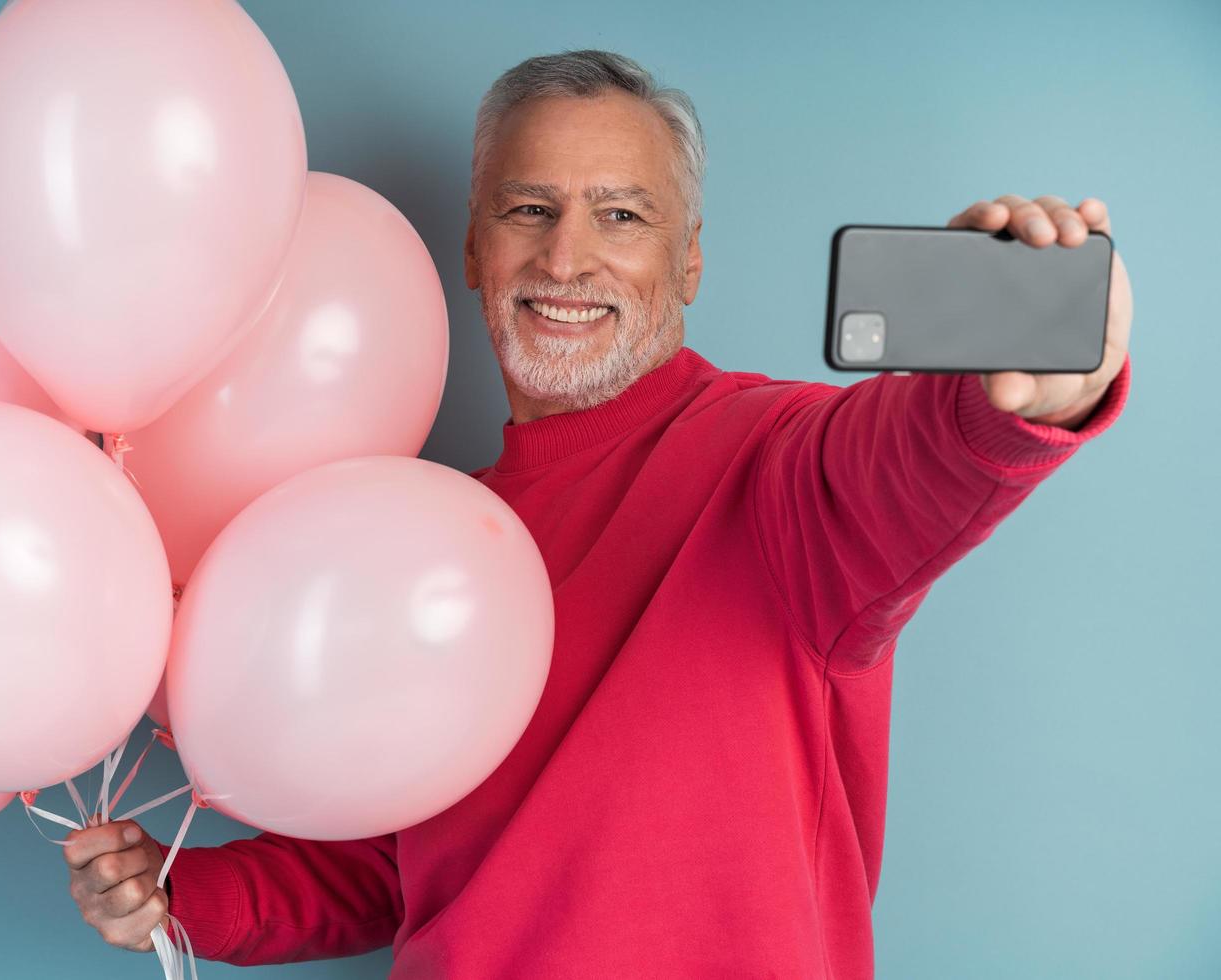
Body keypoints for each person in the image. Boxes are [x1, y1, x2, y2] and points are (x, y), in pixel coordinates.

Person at [62, 50, 1132, 978]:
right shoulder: (422, 538)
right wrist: (186, 891)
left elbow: (910, 464)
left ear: (690, 261)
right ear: (477, 249)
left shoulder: (776, 462)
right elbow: (400, 856)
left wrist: (1018, 396)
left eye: (621, 213)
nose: (566, 257)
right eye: (530, 209)